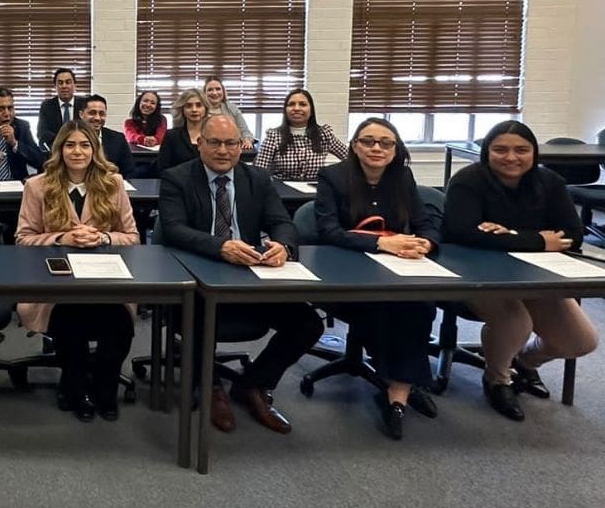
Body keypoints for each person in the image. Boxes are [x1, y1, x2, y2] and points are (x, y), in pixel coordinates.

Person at [158, 114, 323, 434]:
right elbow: (174, 229)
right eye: (215, 143)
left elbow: (281, 221)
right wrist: (220, 246)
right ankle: (210, 387)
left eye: (231, 143)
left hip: (249, 276)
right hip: (196, 277)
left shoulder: (257, 179)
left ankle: (253, 384)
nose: (223, 151)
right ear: (200, 143)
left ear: (241, 146)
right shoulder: (177, 178)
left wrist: (284, 247)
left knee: (307, 324)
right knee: (198, 319)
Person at [443, 120, 599, 422]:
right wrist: (539, 240)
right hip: (477, 275)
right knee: (516, 322)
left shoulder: (549, 182)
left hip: (536, 276)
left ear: (533, 152)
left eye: (521, 150)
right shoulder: (468, 181)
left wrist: (510, 235)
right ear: (487, 152)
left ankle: (525, 363)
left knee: (580, 340)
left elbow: (573, 235)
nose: (511, 157)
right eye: (500, 149)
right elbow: (462, 233)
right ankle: (497, 379)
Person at [314, 118, 441, 440]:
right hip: (344, 271)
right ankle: (403, 385)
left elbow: (425, 222)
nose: (376, 148)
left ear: (395, 150)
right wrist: (382, 244)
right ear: (354, 146)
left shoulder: (402, 177)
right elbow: (328, 232)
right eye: (368, 141)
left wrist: (426, 242)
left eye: (385, 143)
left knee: (422, 304)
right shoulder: (332, 177)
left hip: (397, 268)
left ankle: (397, 394)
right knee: (386, 306)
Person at [16, 120, 139, 422]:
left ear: (94, 150)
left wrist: (104, 237)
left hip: (105, 282)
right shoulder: (37, 186)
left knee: (120, 325)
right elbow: (23, 239)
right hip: (57, 283)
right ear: (59, 150)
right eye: (70, 145)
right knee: (69, 321)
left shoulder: (113, 184)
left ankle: (105, 389)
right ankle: (75, 387)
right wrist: (62, 238)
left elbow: (133, 237)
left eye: (84, 145)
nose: (77, 151)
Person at [253, 89, 347, 181]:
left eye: (303, 104)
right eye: (291, 104)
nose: (296, 108)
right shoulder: (274, 136)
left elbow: (350, 157)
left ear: (311, 110)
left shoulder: (324, 134)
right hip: (282, 189)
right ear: (285, 110)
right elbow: (259, 171)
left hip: (315, 189)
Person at [155, 88, 209, 175]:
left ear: (205, 109)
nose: (194, 109)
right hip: (176, 181)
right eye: (189, 106)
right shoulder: (171, 136)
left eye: (199, 105)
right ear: (182, 109)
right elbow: (163, 169)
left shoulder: (213, 136)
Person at [78, 94, 135, 178]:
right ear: (81, 114)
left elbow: (129, 171)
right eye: (92, 113)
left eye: (102, 114)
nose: (97, 118)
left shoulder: (118, 139)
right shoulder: (71, 138)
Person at [36, 68, 86, 148]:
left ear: (75, 85)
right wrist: (62, 144)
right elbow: (42, 133)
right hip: (55, 149)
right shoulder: (47, 106)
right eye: (60, 83)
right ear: (55, 86)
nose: (64, 86)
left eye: (68, 82)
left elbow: (90, 129)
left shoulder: (84, 104)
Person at [202, 78, 254, 149]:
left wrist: (247, 140)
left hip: (230, 148)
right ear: (204, 93)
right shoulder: (199, 110)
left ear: (223, 91)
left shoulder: (232, 108)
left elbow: (245, 131)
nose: (214, 93)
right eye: (210, 90)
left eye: (218, 89)